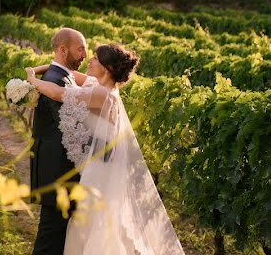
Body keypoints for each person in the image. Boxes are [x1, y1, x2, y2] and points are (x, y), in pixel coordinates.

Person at [26, 43, 184, 254]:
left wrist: (32, 80)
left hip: (100, 168)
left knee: (92, 223)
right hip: (97, 163)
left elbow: (56, 93)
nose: (89, 61)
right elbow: (68, 72)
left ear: (107, 68)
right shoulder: (96, 83)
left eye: (95, 59)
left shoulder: (104, 95)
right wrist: (36, 69)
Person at [29, 28, 89, 254]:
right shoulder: (56, 80)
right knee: (50, 240)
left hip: (59, 171)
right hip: (58, 174)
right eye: (80, 48)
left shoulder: (59, 75)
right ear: (63, 50)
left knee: (57, 238)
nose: (85, 53)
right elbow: (73, 129)